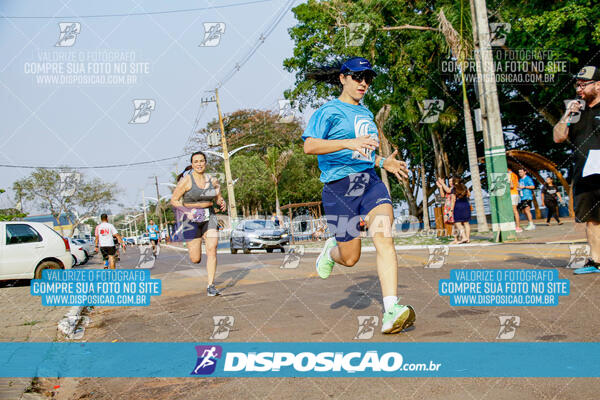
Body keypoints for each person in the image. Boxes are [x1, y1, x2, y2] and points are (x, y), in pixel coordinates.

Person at [303, 56, 415, 334]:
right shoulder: (327, 112)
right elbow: (310, 146)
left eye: (368, 79)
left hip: (368, 182)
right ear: (343, 78)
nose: (364, 83)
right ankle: (332, 250)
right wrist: (348, 141)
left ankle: (391, 310)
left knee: (384, 237)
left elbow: (362, 152)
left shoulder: (366, 114)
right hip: (338, 188)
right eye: (357, 77)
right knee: (350, 258)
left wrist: (383, 162)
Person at [553, 65, 600, 273]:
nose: (579, 89)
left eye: (584, 85)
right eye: (577, 85)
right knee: (592, 219)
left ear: (598, 85)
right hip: (586, 174)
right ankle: (596, 261)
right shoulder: (576, 112)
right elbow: (558, 137)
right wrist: (567, 113)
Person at [171, 151, 227, 296]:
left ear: (205, 163)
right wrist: (186, 211)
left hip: (209, 215)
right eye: (196, 161)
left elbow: (218, 197)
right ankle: (199, 261)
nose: (199, 164)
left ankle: (211, 285)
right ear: (192, 164)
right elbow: (174, 200)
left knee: (212, 249)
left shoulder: (213, 180)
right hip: (190, 219)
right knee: (195, 258)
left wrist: (222, 202)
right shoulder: (186, 181)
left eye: (202, 161)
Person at [436, 177, 458, 241]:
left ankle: (457, 237)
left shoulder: (455, 188)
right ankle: (456, 237)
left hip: (453, 206)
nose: (450, 182)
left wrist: (442, 183)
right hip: (447, 207)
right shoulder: (449, 188)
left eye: (451, 181)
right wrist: (440, 187)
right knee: (451, 221)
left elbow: (448, 191)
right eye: (449, 181)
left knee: (455, 222)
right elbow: (443, 195)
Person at [451, 177, 471, 243]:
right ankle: (468, 239)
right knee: (466, 222)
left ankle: (464, 237)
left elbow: (453, 200)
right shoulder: (464, 187)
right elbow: (469, 195)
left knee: (458, 223)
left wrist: (451, 210)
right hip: (466, 204)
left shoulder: (454, 189)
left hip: (458, 206)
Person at [508, 168, 523, 232]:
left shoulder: (509, 175)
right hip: (515, 193)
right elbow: (518, 185)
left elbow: (511, 186)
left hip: (511, 194)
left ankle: (517, 227)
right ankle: (517, 226)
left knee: (513, 210)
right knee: (515, 210)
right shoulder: (515, 175)